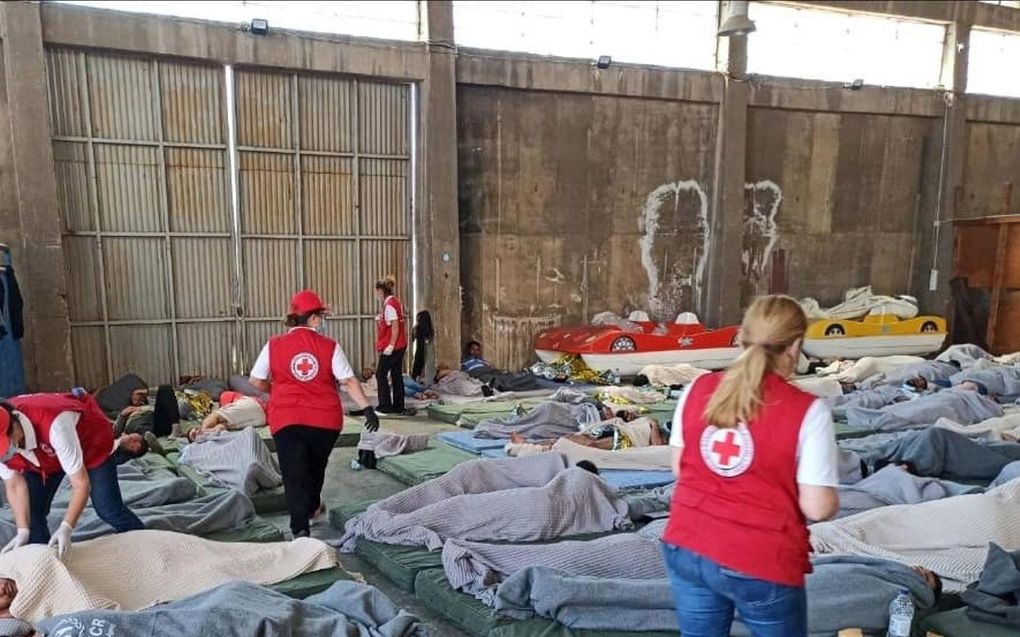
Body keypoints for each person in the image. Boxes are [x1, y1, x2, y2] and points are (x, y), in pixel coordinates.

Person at [661, 295, 840, 637]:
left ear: (741, 336)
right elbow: (817, 508)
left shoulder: (697, 388)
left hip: (687, 542)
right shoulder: (807, 410)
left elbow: (680, 469)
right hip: (761, 559)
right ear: (796, 345)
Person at [249, 290, 379, 539]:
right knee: (315, 467)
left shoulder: (273, 345)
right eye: (320, 316)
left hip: (286, 417)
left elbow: (256, 380)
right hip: (324, 420)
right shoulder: (330, 347)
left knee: (293, 471)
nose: (321, 320)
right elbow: (348, 380)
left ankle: (300, 528)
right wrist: (367, 408)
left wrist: (276, 390)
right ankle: (311, 507)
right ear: (313, 319)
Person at [0, 393, 145, 560]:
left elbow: (81, 484)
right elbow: (14, 484)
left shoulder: (55, 424)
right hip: (44, 455)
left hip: (90, 443)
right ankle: (44, 562)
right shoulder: (5, 452)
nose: (6, 452)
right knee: (31, 511)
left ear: (15, 423)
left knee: (108, 508)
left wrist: (66, 527)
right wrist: (23, 530)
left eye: (5, 445)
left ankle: (146, 545)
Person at [373, 275, 410, 416]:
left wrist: (391, 345)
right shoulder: (395, 302)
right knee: (396, 375)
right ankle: (398, 406)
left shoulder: (389, 306)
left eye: (376, 292)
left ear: (381, 291)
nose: (376, 295)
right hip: (400, 345)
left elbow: (395, 326)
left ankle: (385, 406)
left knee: (380, 374)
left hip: (393, 347)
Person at [410, 310, 436, 386]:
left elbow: (427, 341)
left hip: (425, 350)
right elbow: (413, 339)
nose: (417, 320)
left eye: (419, 318)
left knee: (423, 365)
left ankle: (421, 379)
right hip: (421, 350)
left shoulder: (427, 329)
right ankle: (420, 379)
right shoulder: (418, 328)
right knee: (420, 365)